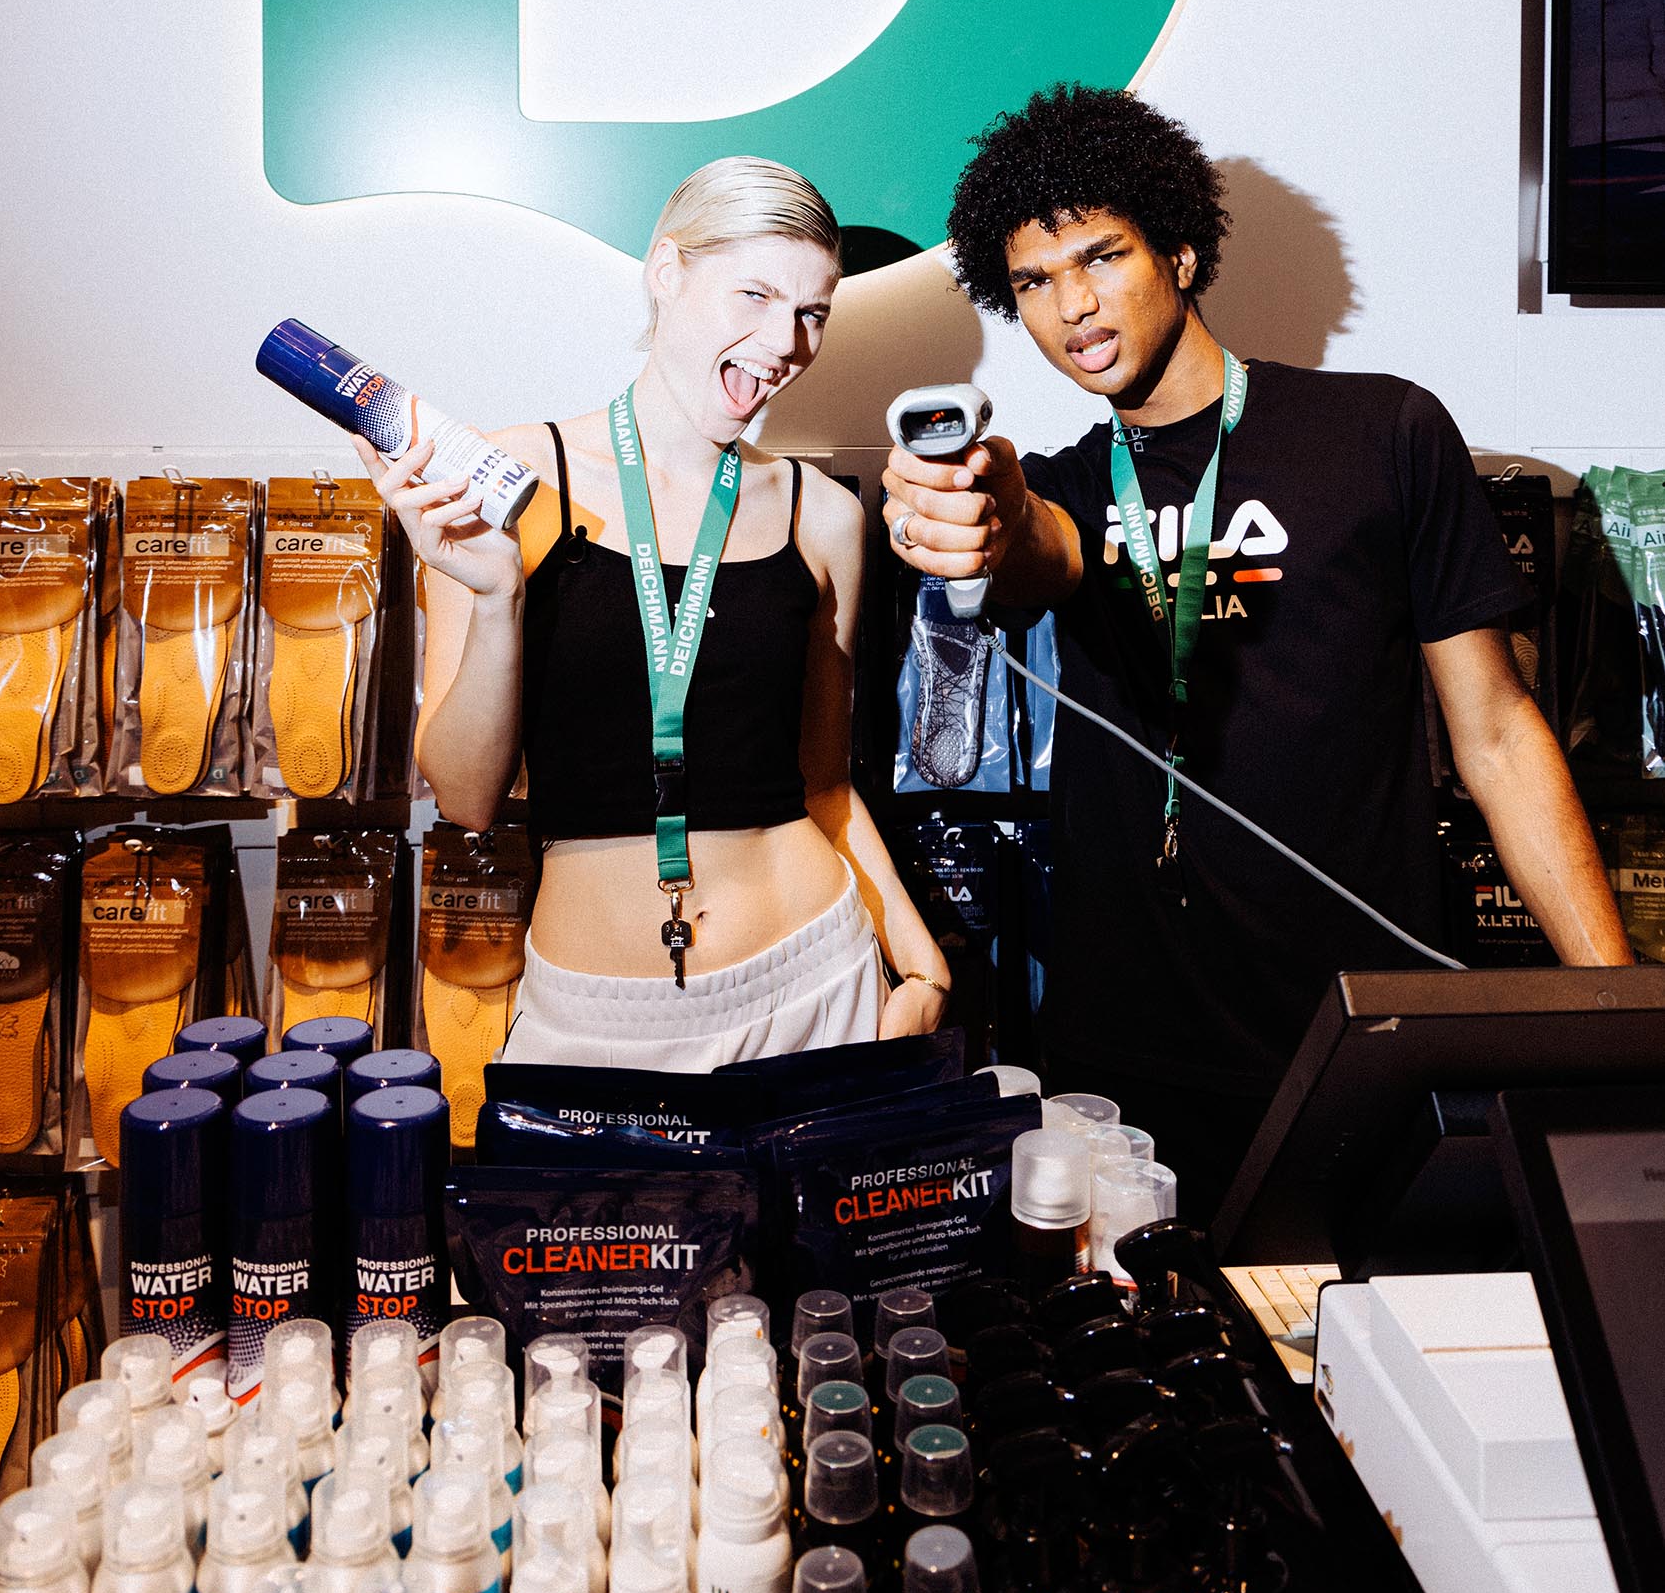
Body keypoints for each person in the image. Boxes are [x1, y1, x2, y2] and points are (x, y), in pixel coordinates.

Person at [881, 83, 1630, 1222]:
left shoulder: (1380, 432)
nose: (1072, 305)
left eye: (1100, 257)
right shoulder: (1064, 485)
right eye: (1031, 282)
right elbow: (1038, 547)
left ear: (1179, 253)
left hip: (1355, 1028)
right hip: (1125, 1052)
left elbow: (1496, 731)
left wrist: (1615, 1013)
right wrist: (982, 514)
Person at [357, 155, 949, 1069]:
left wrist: (921, 966)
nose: (784, 342)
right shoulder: (511, 478)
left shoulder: (822, 514)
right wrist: (498, 597)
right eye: (754, 294)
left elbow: (823, 786)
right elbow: (467, 799)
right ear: (666, 271)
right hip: (598, 1012)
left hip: (814, 981)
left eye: (812, 312)